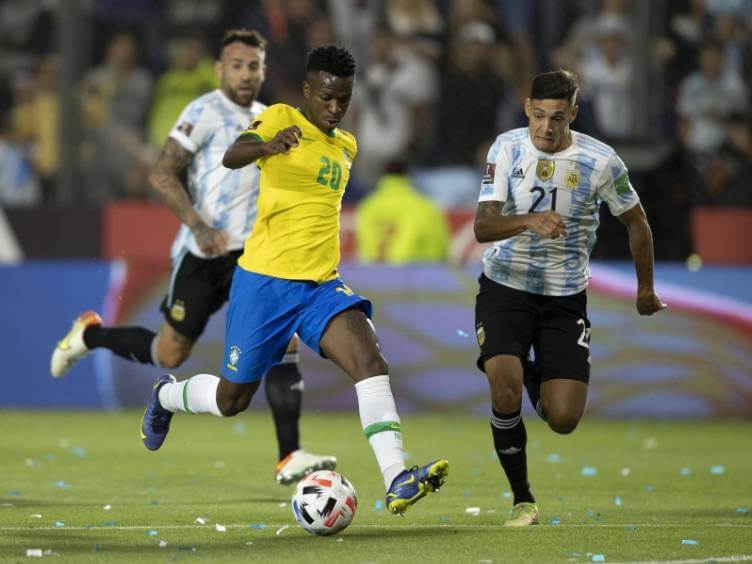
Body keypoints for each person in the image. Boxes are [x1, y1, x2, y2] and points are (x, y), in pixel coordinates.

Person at [140, 44, 449, 515]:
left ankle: (397, 478)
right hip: (263, 284)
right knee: (231, 399)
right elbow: (232, 154)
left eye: (343, 98)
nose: (334, 107)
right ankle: (166, 394)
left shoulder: (346, 144)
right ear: (307, 90)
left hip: (320, 287)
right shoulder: (281, 117)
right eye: (326, 96)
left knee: (370, 362)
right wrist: (267, 146)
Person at [50, 29, 335, 486]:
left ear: (263, 70)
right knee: (170, 352)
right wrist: (199, 226)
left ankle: (290, 455)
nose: (246, 74)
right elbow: (161, 173)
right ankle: (92, 334)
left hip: (257, 258)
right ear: (220, 70)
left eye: (254, 66)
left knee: (285, 345)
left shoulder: (271, 120)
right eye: (237, 65)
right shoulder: (202, 112)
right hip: (205, 254)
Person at [473, 70, 665, 527]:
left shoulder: (601, 161)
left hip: (564, 298)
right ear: (527, 109)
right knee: (504, 384)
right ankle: (522, 499)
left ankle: (527, 370)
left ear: (573, 115)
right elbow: (483, 226)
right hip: (506, 286)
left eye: (557, 118)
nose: (546, 127)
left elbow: (637, 223)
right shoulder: (506, 148)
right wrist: (530, 220)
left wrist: (645, 290)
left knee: (563, 419)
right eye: (539, 115)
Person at [355, 160, 449, 264]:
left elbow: (366, 245)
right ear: (407, 175)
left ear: (382, 176)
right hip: (418, 272)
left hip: (376, 272)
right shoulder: (424, 206)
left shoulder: (368, 205)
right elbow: (440, 246)